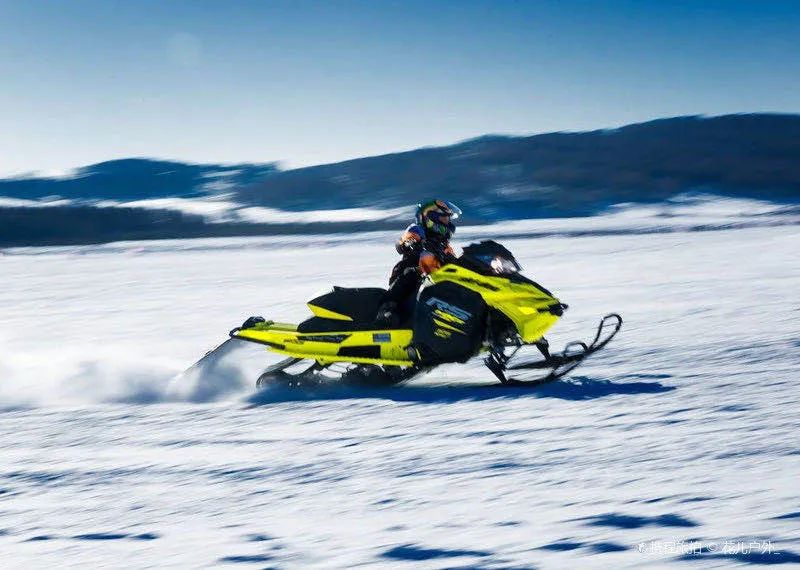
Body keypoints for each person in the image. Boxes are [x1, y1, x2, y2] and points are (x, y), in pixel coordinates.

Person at [376, 200, 462, 325]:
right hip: (416, 270)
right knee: (409, 274)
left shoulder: (444, 244)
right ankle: (387, 309)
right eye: (444, 218)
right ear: (430, 218)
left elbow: (454, 262)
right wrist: (412, 242)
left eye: (448, 219)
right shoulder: (418, 230)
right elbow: (401, 244)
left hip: (436, 277)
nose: (447, 222)